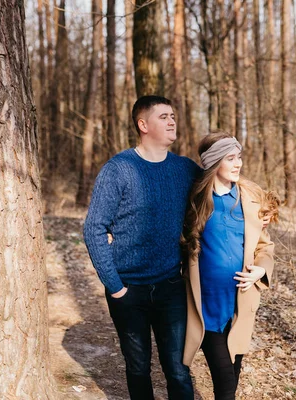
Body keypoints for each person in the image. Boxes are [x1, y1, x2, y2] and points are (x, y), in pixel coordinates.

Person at [83, 95, 199, 400]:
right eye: (163, 117)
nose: (172, 121)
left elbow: (220, 191)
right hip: (128, 289)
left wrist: (258, 209)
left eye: (173, 115)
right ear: (143, 124)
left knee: (178, 368)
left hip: (170, 285)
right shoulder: (119, 169)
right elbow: (94, 228)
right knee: (137, 368)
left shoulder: (185, 169)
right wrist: (115, 286)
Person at [181, 132, 277, 400]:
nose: (238, 164)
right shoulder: (194, 200)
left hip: (240, 306)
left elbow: (264, 247)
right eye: (230, 158)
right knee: (225, 385)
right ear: (214, 163)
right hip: (207, 307)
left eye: (239, 157)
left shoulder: (250, 199)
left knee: (231, 379)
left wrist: (261, 270)